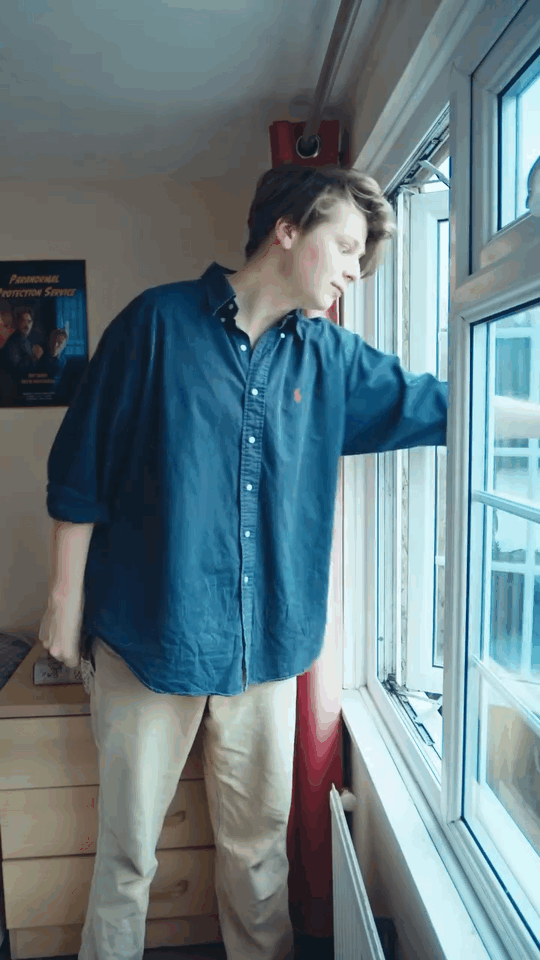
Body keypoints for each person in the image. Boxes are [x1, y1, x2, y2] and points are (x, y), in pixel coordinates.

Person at [39, 163, 448, 960]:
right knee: (126, 860)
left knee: (258, 859)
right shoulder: (154, 326)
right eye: (347, 245)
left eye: (364, 258)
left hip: (264, 651)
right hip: (147, 641)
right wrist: (63, 604)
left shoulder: (331, 361)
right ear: (288, 229)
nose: (354, 270)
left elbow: (436, 402)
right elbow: (78, 472)